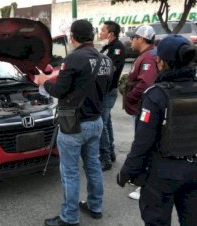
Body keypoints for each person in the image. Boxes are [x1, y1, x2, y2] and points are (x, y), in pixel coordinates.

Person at [35, 19, 113, 226]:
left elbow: (59, 90)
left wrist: (43, 81)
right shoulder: (106, 60)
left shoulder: (74, 58)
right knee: (93, 166)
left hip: (73, 125)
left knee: (70, 172)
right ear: (93, 35)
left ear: (72, 37)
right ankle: (95, 206)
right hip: (96, 122)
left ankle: (69, 218)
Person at [117, 34, 197, 226]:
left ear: (163, 62)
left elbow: (143, 142)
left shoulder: (156, 95)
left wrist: (128, 171)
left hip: (162, 175)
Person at [123, 25, 158, 200]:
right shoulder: (148, 55)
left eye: (133, 37)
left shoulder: (148, 58)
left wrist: (130, 95)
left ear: (141, 39)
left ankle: (144, 185)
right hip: (145, 108)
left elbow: (145, 84)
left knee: (144, 145)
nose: (131, 40)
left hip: (145, 109)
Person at [98, 21, 126, 171]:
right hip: (104, 91)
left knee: (101, 124)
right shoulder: (108, 47)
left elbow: (110, 69)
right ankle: (111, 152)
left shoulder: (117, 48)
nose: (100, 32)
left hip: (109, 91)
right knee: (106, 122)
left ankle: (105, 158)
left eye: (103, 30)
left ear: (111, 33)